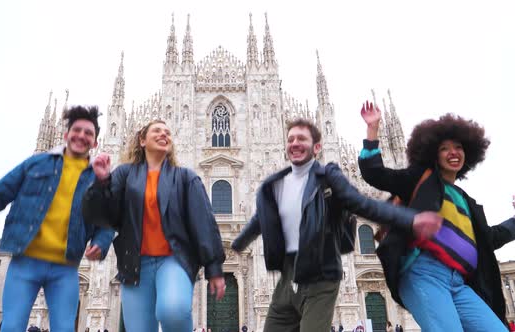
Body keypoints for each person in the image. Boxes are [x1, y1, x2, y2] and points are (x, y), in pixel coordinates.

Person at [231, 118, 442, 332]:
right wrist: (236, 246)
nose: (295, 144)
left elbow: (362, 204)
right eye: (291, 139)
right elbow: (261, 218)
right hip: (288, 275)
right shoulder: (278, 183)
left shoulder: (328, 176)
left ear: (317, 147)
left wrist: (409, 218)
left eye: (302, 139)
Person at [0, 106, 115, 332]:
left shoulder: (96, 177)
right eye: (77, 130)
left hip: (65, 266)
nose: (82, 135)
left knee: (63, 328)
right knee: (12, 326)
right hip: (27, 260)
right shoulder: (36, 164)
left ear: (95, 143)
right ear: (66, 135)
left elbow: (107, 219)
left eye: (89, 133)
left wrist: (100, 243)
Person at [359, 102, 515, 331]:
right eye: (445, 148)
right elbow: (375, 173)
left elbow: (489, 237)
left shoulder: (465, 200)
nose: (453, 152)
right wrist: (372, 130)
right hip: (424, 273)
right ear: (433, 153)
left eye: (459, 147)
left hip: (459, 281)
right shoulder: (420, 180)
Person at [83, 120, 226, 332]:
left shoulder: (186, 178)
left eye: (167, 132)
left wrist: (214, 267)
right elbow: (105, 214)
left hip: (174, 259)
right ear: (142, 140)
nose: (163, 134)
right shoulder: (125, 174)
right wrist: (101, 183)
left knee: (173, 311)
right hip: (135, 264)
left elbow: (204, 223)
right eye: (156, 131)